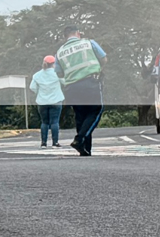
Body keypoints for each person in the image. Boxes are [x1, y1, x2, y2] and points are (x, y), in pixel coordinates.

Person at [54, 24, 106, 156]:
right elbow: (104, 59)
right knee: (95, 111)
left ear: (66, 36)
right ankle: (79, 139)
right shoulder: (89, 43)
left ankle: (85, 149)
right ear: (77, 33)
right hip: (90, 82)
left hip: (72, 87)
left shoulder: (59, 52)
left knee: (81, 116)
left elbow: (58, 72)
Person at [29, 56, 65, 148]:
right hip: (56, 100)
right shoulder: (57, 74)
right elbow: (65, 83)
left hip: (42, 102)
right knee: (54, 122)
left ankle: (43, 143)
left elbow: (32, 87)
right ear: (54, 64)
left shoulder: (37, 75)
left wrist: (39, 92)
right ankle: (55, 143)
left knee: (44, 122)